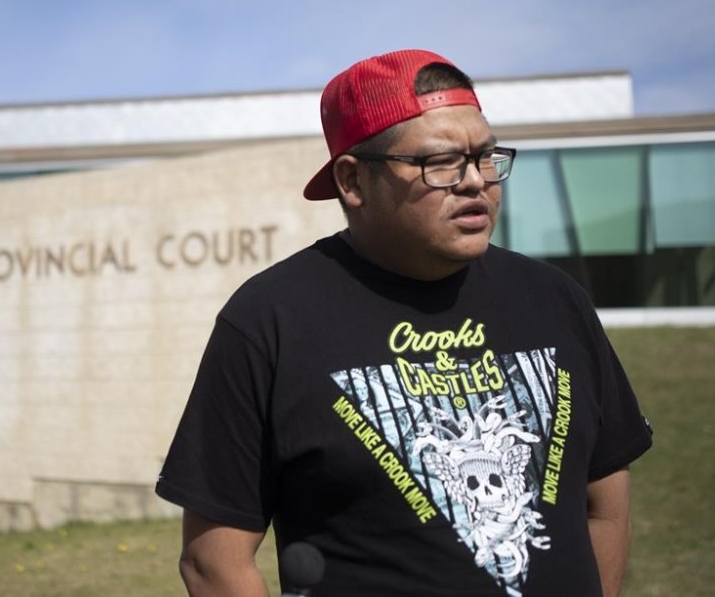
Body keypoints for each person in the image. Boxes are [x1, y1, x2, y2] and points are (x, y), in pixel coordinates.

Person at [155, 49, 652, 596]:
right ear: (353, 181)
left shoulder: (557, 301)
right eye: (440, 163)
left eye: (485, 157)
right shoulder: (269, 320)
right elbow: (213, 562)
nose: (475, 182)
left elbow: (605, 506)